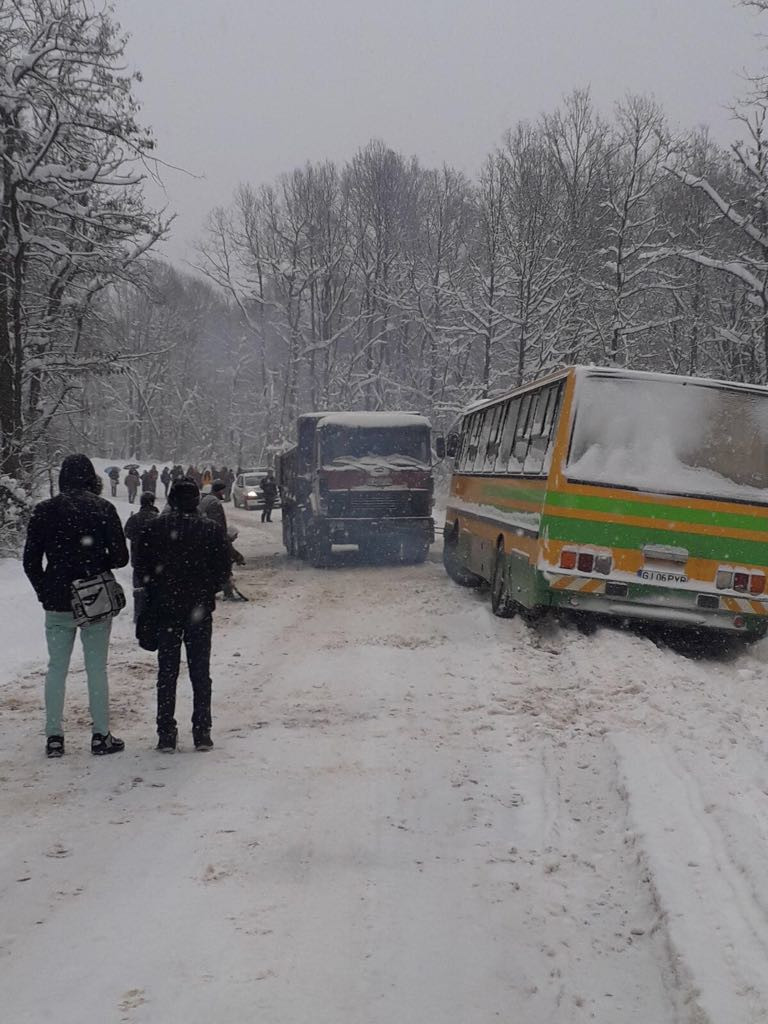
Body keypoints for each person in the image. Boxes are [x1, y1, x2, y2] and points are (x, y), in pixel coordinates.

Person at [23, 454, 129, 758]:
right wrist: (95, 565)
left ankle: (54, 736)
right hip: (93, 597)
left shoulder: (44, 511)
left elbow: (31, 560)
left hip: (56, 598)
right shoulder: (103, 508)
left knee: (56, 667)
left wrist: (45, 589)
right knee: (97, 668)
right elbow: (121, 557)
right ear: (90, 478)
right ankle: (101, 735)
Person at [135, 477, 231, 752]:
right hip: (199, 610)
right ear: (195, 501)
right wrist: (206, 589)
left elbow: (142, 570)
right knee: (200, 671)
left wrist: (157, 591)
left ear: (171, 499)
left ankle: (166, 731)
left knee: (167, 671)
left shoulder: (154, 529)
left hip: (165, 610)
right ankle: (202, 730)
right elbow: (222, 571)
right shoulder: (210, 530)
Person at [200, 480, 246, 601]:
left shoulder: (206, 500)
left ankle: (211, 591)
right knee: (224, 565)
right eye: (222, 491)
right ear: (219, 491)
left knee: (212, 568)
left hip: (204, 540)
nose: (224, 493)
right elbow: (217, 525)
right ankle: (227, 592)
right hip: (213, 540)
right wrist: (223, 541)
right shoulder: (215, 503)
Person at [124, 492, 159, 621]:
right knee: (154, 588)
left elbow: (127, 533)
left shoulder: (134, 519)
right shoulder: (158, 518)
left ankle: (138, 615)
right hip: (155, 561)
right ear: (152, 502)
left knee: (139, 589)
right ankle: (153, 614)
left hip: (138, 559)